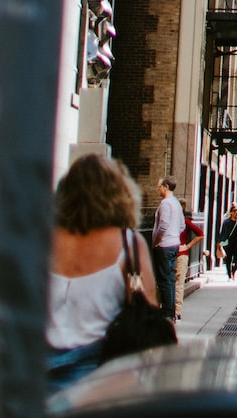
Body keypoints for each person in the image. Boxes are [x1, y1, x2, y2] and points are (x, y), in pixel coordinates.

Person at [49, 154, 158, 391]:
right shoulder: (128, 244)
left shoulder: (43, 241)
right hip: (99, 377)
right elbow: (148, 310)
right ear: (118, 195)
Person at [152, 176, 184, 320]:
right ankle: (171, 312)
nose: (157, 189)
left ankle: (167, 313)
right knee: (170, 279)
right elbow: (182, 225)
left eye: (159, 186)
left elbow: (163, 225)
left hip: (164, 246)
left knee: (164, 280)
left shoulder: (165, 204)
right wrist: (174, 235)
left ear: (165, 186)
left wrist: (157, 241)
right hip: (174, 244)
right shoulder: (176, 203)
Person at [217, 205, 237, 278]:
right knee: (228, 259)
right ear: (231, 212)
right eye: (234, 211)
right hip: (228, 242)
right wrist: (219, 242)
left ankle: (233, 271)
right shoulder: (226, 222)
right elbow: (222, 232)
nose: (236, 212)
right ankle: (229, 274)